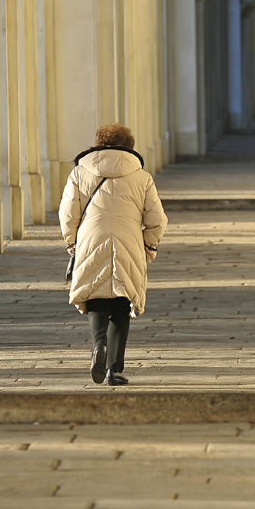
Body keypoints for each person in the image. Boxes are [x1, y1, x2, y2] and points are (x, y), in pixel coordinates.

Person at [58, 123, 167, 386]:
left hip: (90, 238)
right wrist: (148, 248)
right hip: (129, 240)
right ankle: (114, 369)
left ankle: (98, 346)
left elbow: (67, 214)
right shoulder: (142, 178)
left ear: (98, 143)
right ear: (129, 147)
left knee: (95, 296)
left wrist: (73, 244)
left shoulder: (79, 173)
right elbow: (157, 220)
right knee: (122, 302)